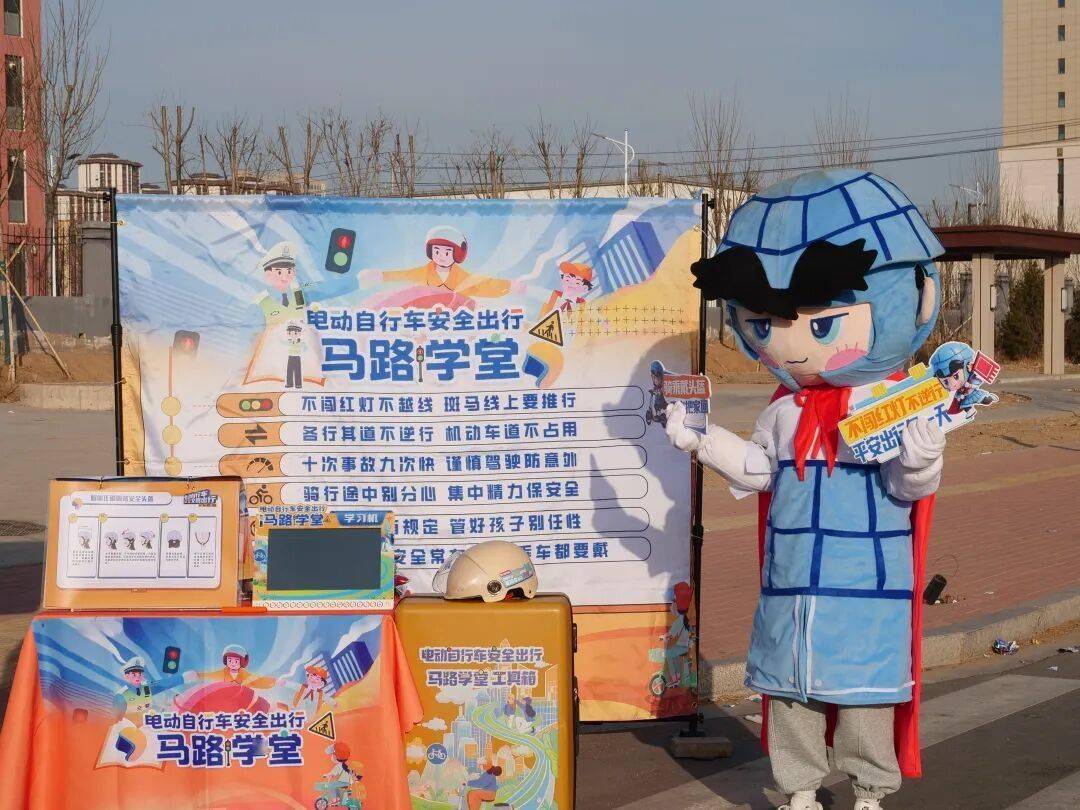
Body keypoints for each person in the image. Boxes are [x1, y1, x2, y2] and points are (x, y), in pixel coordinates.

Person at [665, 170, 946, 810]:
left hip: (868, 578)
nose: (790, 346)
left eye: (823, 326)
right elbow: (759, 470)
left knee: (865, 695)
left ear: (919, 298)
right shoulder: (783, 412)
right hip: (791, 578)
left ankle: (870, 792)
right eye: (764, 326)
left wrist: (923, 454)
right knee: (791, 692)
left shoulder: (893, 405)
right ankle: (798, 790)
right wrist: (702, 440)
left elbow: (906, 487)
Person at [370, 226, 525, 300]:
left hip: (453, 324)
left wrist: (509, 285)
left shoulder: (462, 278)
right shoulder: (423, 273)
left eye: (447, 252)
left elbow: (485, 284)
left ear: (457, 254)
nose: (441, 256)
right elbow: (403, 275)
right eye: (437, 251)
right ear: (430, 252)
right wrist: (381, 276)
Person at [929, 341, 999, 414]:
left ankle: (990, 397)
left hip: (973, 392)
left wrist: (970, 385)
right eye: (945, 382)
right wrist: (960, 396)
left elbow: (977, 383)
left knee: (983, 398)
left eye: (956, 376)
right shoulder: (959, 391)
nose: (952, 384)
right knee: (965, 405)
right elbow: (957, 397)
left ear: (968, 366)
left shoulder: (972, 378)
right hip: (966, 397)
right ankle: (970, 411)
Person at [187, 643, 282, 689]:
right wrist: (196, 675)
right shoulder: (222, 673)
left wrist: (276, 681)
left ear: (243, 662)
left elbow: (259, 680)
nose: (232, 663)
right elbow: (210, 675)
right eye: (230, 660)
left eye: (236, 661)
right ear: (225, 660)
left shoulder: (245, 675)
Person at [284, 321, 304, 389]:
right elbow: (283, 343)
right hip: (290, 356)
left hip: (297, 357)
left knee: (297, 370)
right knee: (289, 370)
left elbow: (305, 347)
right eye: (290, 333)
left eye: (295, 333)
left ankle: (298, 384)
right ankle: (289, 384)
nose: (293, 335)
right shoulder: (289, 341)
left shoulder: (300, 341)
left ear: (299, 333)